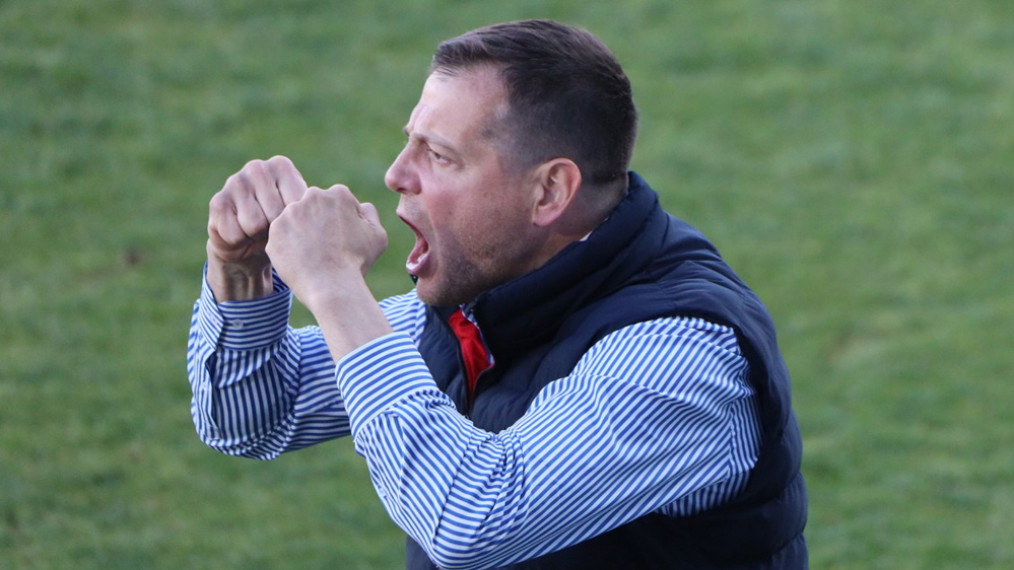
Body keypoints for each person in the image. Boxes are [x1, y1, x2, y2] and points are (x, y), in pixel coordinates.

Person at [187, 19, 808, 569]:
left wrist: (335, 286)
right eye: (409, 141)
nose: (396, 175)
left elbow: (473, 518)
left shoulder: (681, 356)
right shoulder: (484, 301)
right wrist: (240, 274)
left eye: (438, 155)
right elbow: (249, 419)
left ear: (549, 192)